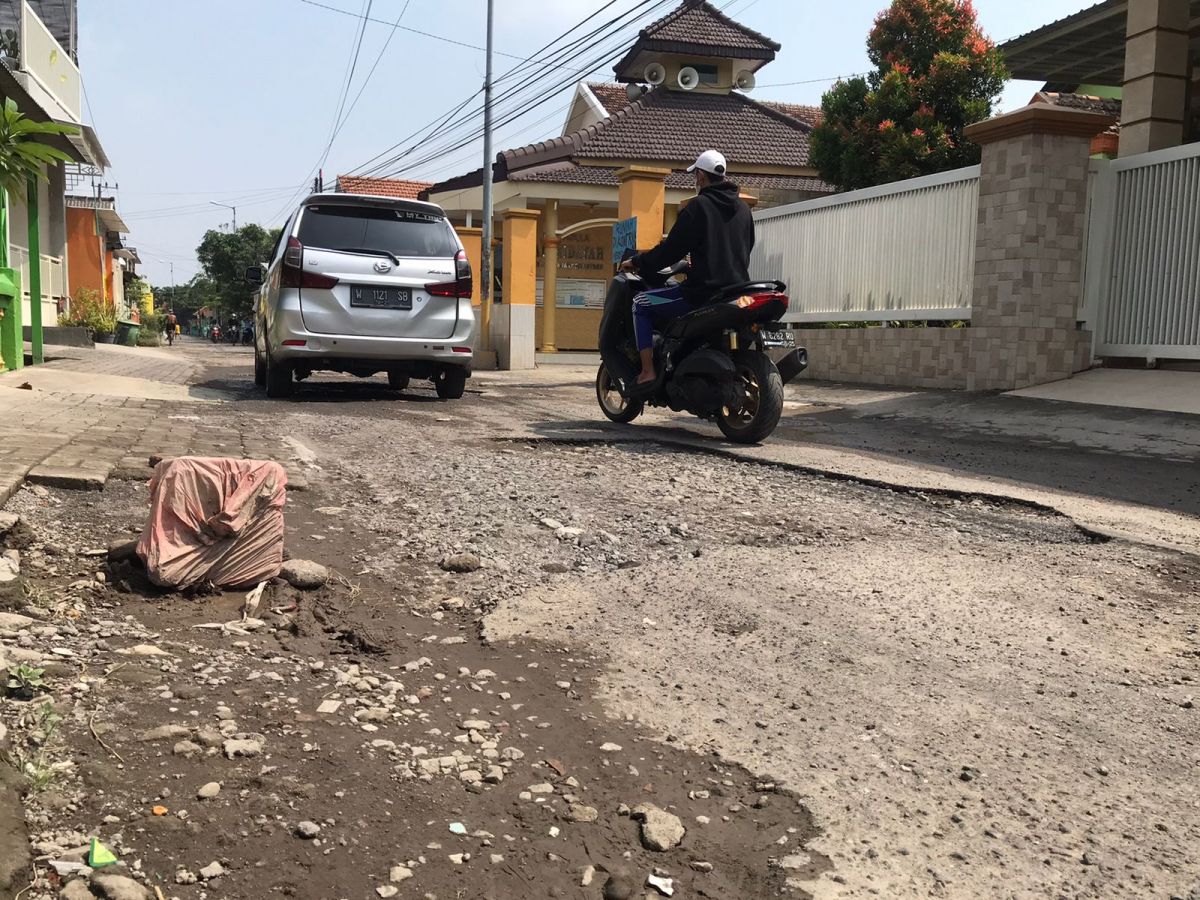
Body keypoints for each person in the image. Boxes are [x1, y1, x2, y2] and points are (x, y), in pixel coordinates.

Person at [619, 149, 754, 385]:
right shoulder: (743, 209)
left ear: (701, 176)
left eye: (696, 175)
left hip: (701, 294)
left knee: (640, 304)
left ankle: (648, 371)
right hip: (736, 291)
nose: (695, 180)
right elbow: (747, 246)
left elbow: (671, 250)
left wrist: (639, 262)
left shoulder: (698, 206)